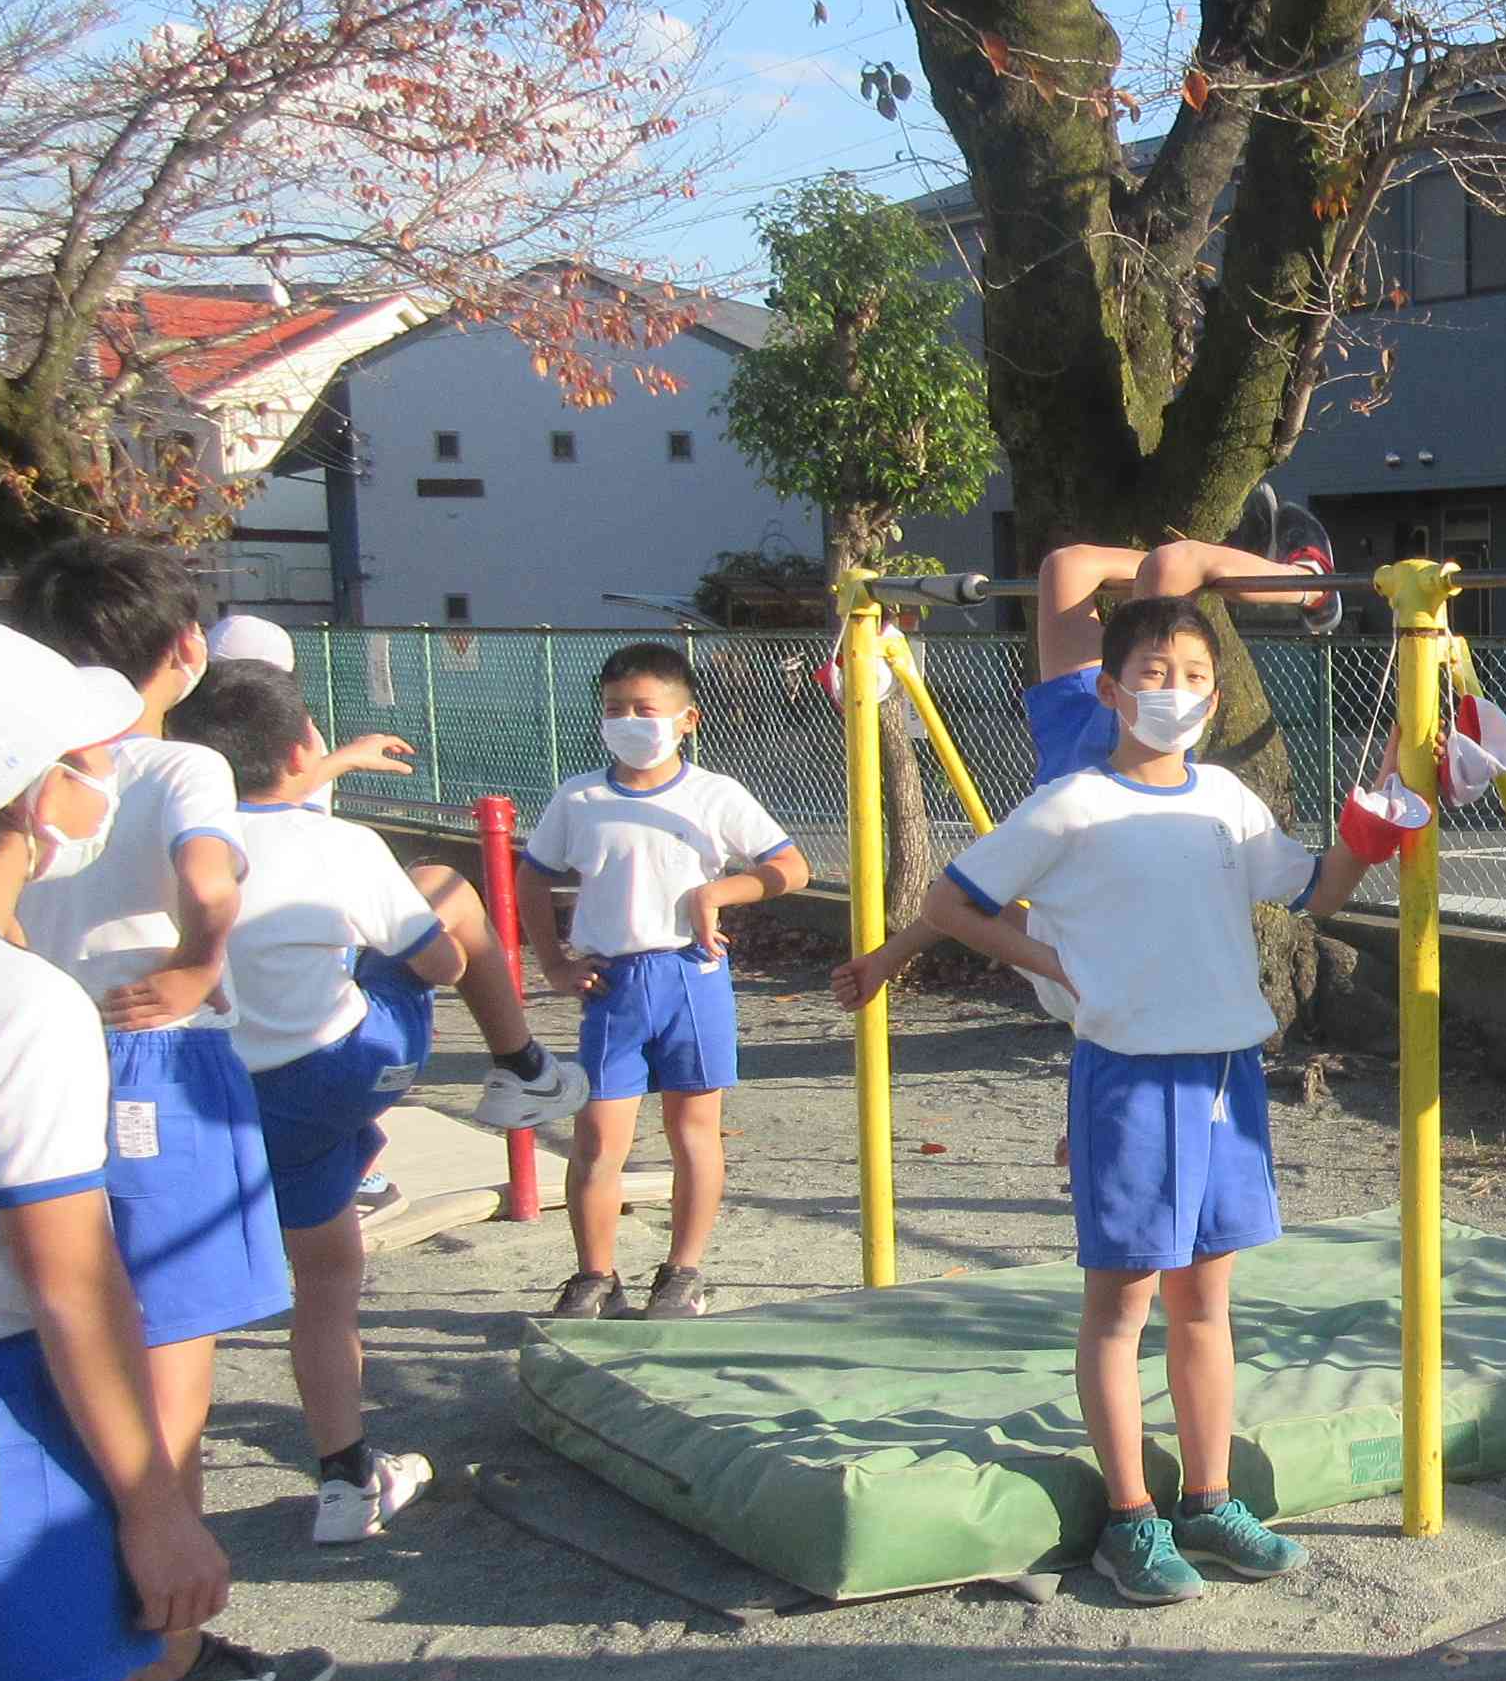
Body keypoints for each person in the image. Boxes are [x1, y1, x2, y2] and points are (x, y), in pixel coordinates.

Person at [849, 592, 1402, 1604]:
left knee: (1205, 1300)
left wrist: (1383, 815)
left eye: (1195, 677)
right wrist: (1059, 965)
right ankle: (1129, 1517)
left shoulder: (1226, 799)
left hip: (1226, 1072)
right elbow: (949, 902)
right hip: (1129, 1074)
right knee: (1123, 1304)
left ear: (1216, 697)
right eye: (1154, 673)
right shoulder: (1071, 803)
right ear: (1110, 690)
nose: (1175, 693)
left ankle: (1209, 1498)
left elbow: (1315, 891)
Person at [0, 623, 270, 1681]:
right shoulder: (22, 1010)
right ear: (31, 798)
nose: (100, 781)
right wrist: (157, 1503)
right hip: (9, 1436)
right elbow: (71, 1277)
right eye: (80, 761)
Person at [3, 539, 324, 1681]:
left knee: (79, 1345)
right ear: (187, 648)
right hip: (153, 1058)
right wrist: (198, 962)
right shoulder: (179, 760)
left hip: (72, 1042)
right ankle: (168, 1656)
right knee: (166, 1353)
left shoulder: (43, 767)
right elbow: (209, 875)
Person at [170, 663, 584, 1541]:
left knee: (300, 1284)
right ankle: (521, 1065)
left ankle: (343, 1482)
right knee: (446, 890)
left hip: (220, 1087)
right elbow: (440, 963)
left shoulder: (162, 845)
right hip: (345, 1064)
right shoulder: (343, 846)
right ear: (299, 748)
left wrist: (334, 767)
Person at [832, 504, 1336, 1016]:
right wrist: (889, 958)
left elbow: (960, 903)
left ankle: (1232, 564)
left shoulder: (1055, 920)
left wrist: (885, 959)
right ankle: (1308, 584)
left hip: (1069, 748)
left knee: (1066, 566)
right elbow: (967, 908)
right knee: (1171, 566)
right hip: (1131, 741)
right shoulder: (1088, 943)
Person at [515, 643, 810, 1321]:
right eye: (614, 709)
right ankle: (595, 1276)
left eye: (645, 709)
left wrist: (720, 892)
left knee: (695, 1131)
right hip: (612, 983)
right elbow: (533, 875)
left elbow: (789, 867)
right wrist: (554, 962)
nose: (629, 722)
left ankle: (682, 1273)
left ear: (686, 719)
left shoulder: (714, 795)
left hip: (690, 977)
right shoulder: (580, 797)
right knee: (598, 1138)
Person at [199, 614, 419, 814]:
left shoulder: (186, 720)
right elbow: (286, 804)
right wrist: (346, 759)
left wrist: (345, 759)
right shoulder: (295, 730)